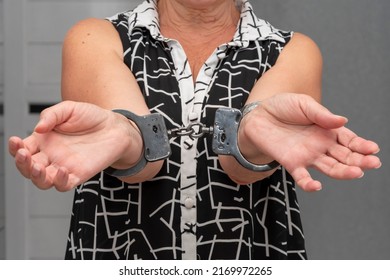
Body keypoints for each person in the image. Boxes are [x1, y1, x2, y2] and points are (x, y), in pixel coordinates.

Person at [8, 0, 381, 260]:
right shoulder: (95, 37)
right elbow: (142, 154)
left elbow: (240, 166)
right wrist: (122, 133)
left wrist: (252, 133)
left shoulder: (291, 50)